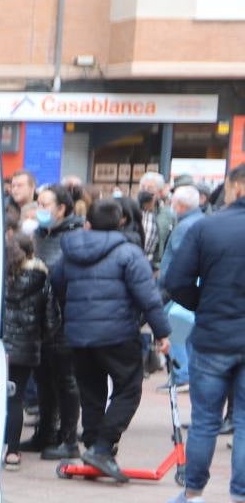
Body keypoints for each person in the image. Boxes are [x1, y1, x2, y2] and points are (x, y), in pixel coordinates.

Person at [50, 198, 171, 483]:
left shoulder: (70, 251)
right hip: (117, 335)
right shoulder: (128, 253)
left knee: (91, 392)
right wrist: (162, 332)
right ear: (121, 223)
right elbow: (149, 298)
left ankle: (93, 446)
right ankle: (103, 448)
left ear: (88, 223)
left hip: (79, 335)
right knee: (129, 388)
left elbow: (56, 284)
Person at [162, 163, 245, 503]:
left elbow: (176, 280)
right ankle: (238, 502)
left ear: (236, 186)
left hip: (213, 335)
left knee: (206, 419)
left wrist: (204, 303)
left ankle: (193, 493)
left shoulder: (207, 227)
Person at [23, 184, 84, 459]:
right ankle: (45, 432)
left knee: (66, 380)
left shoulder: (74, 237)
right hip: (39, 318)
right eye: (39, 204)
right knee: (44, 379)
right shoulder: (37, 234)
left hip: (65, 317)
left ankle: (68, 438)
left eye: (46, 205)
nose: (40, 210)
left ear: (62, 208)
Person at [1, 230, 59, 469]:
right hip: (26, 348)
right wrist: (39, 338)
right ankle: (12, 452)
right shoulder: (42, 278)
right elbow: (52, 319)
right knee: (16, 399)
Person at [160, 184, 206, 389]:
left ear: (178, 205)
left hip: (178, 290)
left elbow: (182, 262)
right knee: (187, 332)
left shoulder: (185, 227)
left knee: (175, 328)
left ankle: (181, 374)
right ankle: (186, 374)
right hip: (193, 288)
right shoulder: (201, 221)